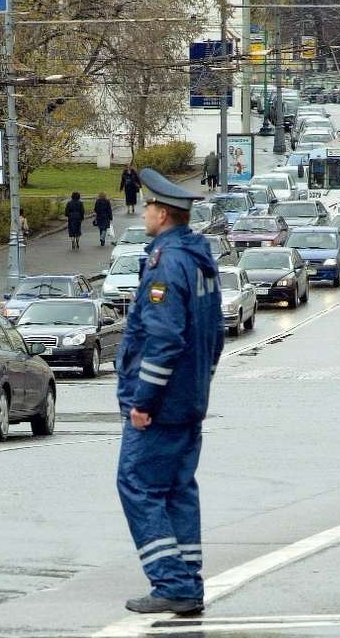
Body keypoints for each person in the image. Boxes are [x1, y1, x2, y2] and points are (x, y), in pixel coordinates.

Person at [115, 167, 223, 616]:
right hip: (190, 399)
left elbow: (163, 339)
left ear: (161, 213)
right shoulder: (200, 260)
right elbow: (214, 336)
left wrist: (144, 401)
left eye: (147, 207)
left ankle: (172, 583)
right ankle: (188, 581)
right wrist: (199, 384)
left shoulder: (167, 263)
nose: (144, 213)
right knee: (178, 488)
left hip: (161, 405)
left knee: (137, 484)